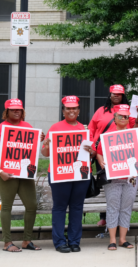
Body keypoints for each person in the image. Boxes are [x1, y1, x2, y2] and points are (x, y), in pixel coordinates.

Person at [0, 99, 40, 252]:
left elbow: (30, 149)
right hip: (5, 171)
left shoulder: (28, 127)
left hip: (24, 172)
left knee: (32, 205)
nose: (17, 112)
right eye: (13, 109)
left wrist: (38, 139)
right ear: (6, 112)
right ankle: (7, 242)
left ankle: (27, 240)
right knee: (7, 206)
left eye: (19, 110)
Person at [41, 96, 94, 253]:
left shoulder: (84, 130)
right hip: (60, 174)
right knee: (59, 207)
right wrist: (45, 145)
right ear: (63, 111)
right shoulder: (55, 128)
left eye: (74, 108)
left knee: (77, 207)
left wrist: (92, 152)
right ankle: (59, 242)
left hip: (80, 175)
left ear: (78, 110)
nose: (71, 110)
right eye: (68, 108)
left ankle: (74, 241)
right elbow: (45, 153)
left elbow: (90, 154)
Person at [88, 84, 138, 227]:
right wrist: (92, 149)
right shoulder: (101, 111)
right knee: (106, 182)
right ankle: (106, 217)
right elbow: (91, 128)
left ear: (123, 95)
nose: (116, 96)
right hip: (102, 153)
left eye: (119, 94)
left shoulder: (129, 111)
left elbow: (136, 132)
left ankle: (118, 221)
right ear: (110, 95)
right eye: (114, 93)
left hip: (123, 154)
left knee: (121, 185)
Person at [96, 105, 138, 251]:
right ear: (115, 118)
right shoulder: (107, 135)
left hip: (131, 177)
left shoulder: (135, 135)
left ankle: (123, 239)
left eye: (126, 116)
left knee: (126, 207)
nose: (123, 119)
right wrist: (101, 161)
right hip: (113, 177)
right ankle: (112, 239)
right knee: (113, 207)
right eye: (120, 116)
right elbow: (99, 153)